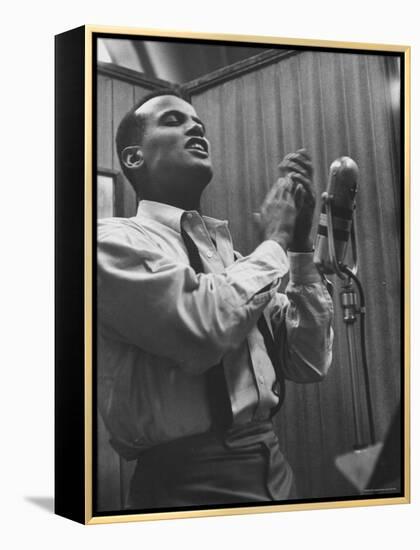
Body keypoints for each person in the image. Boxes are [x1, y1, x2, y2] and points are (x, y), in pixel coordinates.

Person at [97, 88, 333, 510]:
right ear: (134, 158)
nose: (195, 127)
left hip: (274, 467)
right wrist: (276, 240)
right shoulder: (108, 242)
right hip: (183, 484)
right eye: (173, 121)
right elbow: (202, 326)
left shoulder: (235, 261)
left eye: (199, 124)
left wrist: (298, 248)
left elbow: (309, 361)